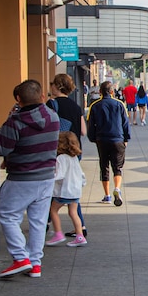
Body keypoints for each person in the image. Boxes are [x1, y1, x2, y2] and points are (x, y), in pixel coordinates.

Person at [0, 79, 58, 279]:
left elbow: (2, 148)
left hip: (21, 178)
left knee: (8, 215)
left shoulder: (14, 122)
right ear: (42, 96)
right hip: (46, 177)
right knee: (38, 221)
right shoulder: (53, 117)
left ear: (18, 99)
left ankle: (20, 257)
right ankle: (35, 264)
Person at [47, 73, 87, 237]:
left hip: (58, 151)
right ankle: (81, 227)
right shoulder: (76, 106)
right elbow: (83, 131)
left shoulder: (52, 104)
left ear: (57, 86)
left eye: (52, 85)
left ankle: (47, 222)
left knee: (52, 186)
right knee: (72, 187)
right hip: (75, 150)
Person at [86, 81, 131, 206]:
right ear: (112, 92)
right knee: (117, 167)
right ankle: (117, 188)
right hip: (118, 139)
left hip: (102, 140)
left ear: (100, 91)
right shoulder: (120, 104)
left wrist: (93, 138)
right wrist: (126, 139)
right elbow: (125, 123)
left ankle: (107, 196)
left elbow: (91, 126)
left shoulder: (95, 106)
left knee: (104, 166)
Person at [46, 132, 87, 248]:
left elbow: (59, 175)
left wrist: (50, 178)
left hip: (64, 190)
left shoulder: (61, 158)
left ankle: (58, 233)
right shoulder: (74, 158)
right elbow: (81, 174)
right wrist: (82, 183)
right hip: (75, 190)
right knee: (73, 212)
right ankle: (80, 236)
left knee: (53, 210)